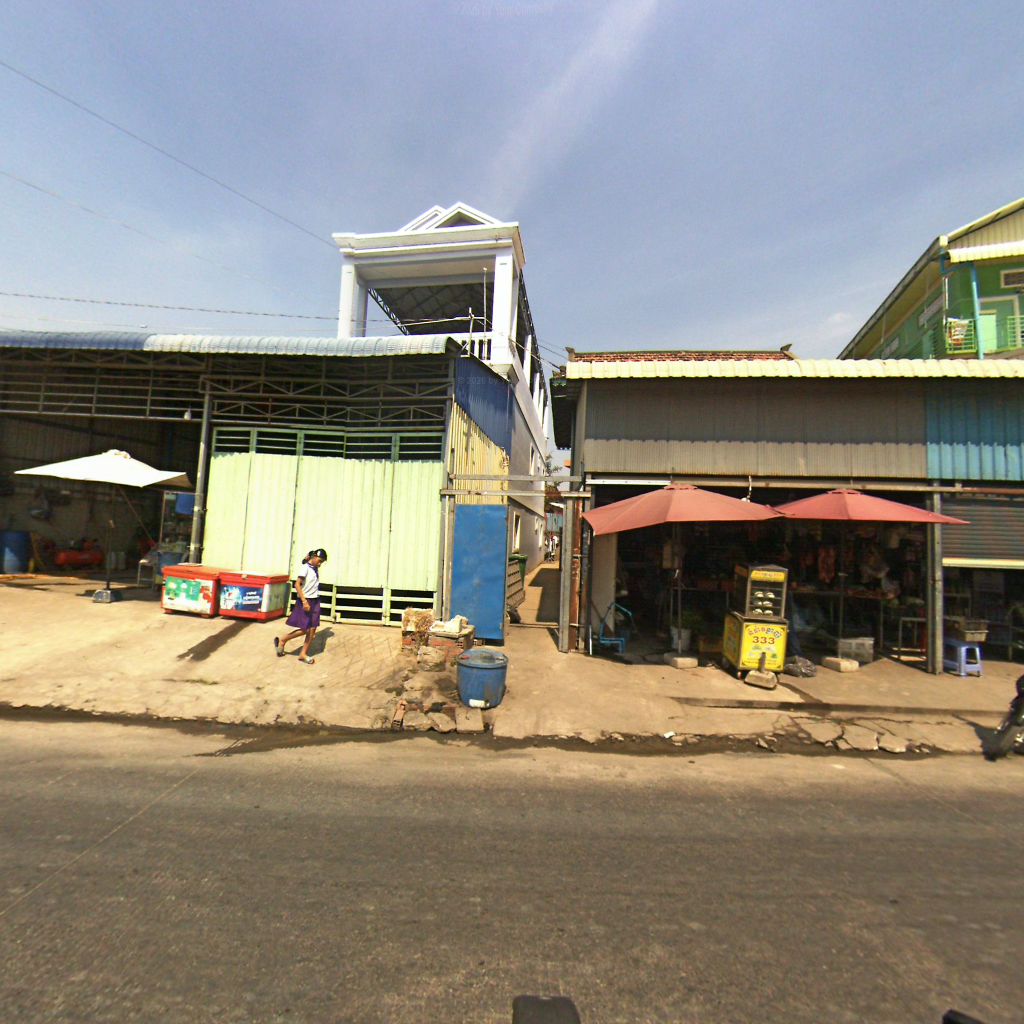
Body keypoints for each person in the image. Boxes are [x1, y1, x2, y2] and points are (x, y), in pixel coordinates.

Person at [274, 548, 327, 665]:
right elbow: (297, 585)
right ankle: (283, 640)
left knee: (312, 630)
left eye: (322, 562)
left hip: (315, 600)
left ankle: (303, 654)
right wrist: (304, 602)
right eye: (319, 561)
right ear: (314, 557)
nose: (320, 564)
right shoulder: (305, 568)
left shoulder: (314, 568)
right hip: (306, 600)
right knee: (304, 629)